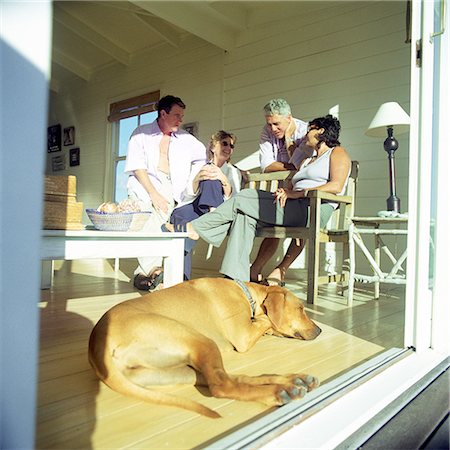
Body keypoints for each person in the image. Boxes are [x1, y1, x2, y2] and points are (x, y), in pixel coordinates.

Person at [165, 115, 351, 283]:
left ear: (321, 131)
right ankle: (235, 277)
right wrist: (287, 191)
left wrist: (297, 193)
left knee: (244, 196)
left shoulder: (337, 152)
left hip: (313, 208)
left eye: (310, 129)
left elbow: (336, 185)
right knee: (244, 216)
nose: (306, 134)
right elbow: (296, 185)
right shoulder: (308, 160)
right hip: (293, 205)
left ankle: (195, 227)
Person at [124, 95, 208, 291]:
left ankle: (145, 274)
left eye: (182, 116)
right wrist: (153, 193)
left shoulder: (186, 139)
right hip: (145, 183)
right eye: (177, 115)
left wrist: (194, 177)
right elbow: (137, 167)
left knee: (163, 221)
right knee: (146, 216)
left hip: (173, 186)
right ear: (163, 113)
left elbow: (204, 156)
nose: (180, 120)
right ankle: (152, 269)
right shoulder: (141, 134)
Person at [168, 130, 242, 279]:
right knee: (179, 214)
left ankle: (210, 218)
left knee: (212, 178)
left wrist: (223, 179)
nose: (228, 148)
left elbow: (235, 199)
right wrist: (197, 179)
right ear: (213, 146)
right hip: (200, 207)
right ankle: (182, 278)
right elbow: (188, 194)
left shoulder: (233, 172)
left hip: (222, 210)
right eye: (224, 143)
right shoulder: (199, 166)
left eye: (231, 146)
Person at [250, 98, 309, 285]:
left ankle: (280, 270)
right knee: (274, 220)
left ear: (289, 118)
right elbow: (266, 166)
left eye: (277, 123)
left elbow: (305, 167)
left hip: (304, 187)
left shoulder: (306, 131)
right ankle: (255, 270)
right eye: (269, 124)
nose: (273, 128)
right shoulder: (266, 131)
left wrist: (289, 139)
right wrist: (293, 165)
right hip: (282, 186)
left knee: (303, 222)